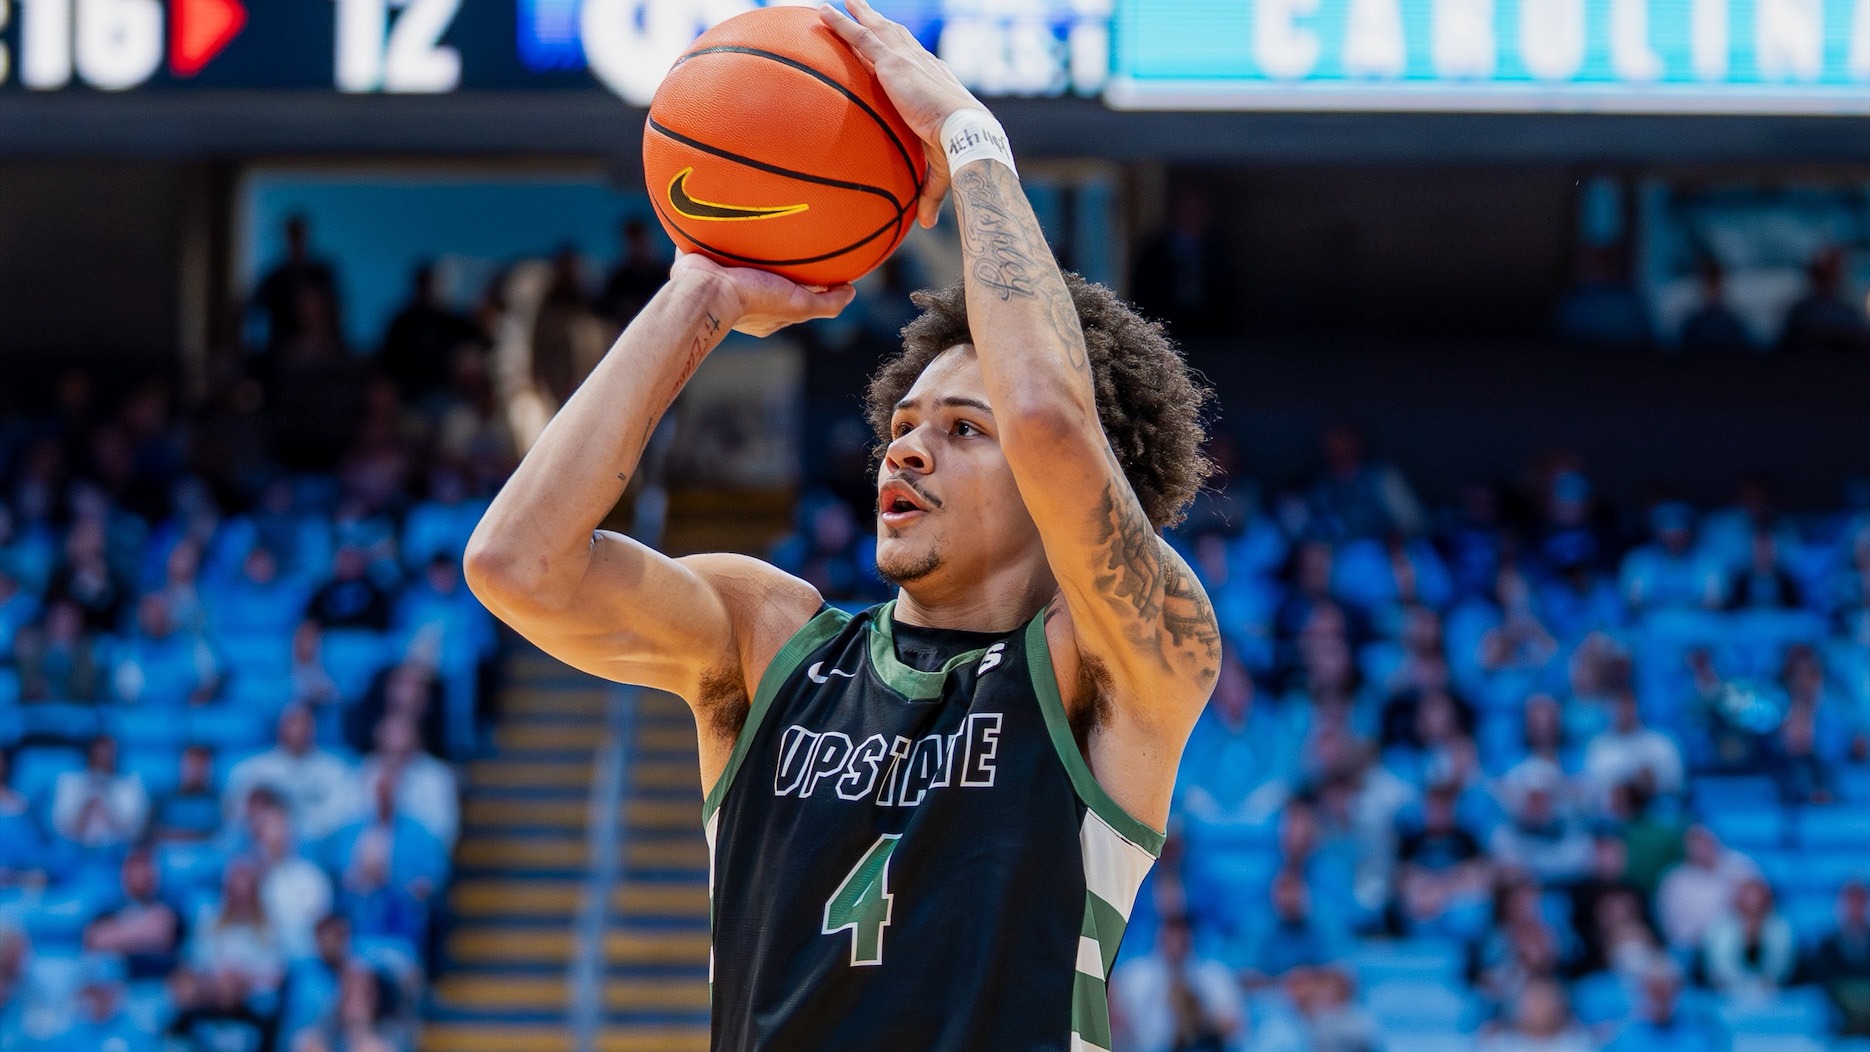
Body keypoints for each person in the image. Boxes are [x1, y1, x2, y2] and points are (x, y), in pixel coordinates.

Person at [464, 5, 1219, 1047]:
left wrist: (969, 136)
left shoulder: (1118, 662)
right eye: (902, 426)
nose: (905, 451)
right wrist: (700, 294)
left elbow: (1048, 416)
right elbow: (517, 562)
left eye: (962, 429)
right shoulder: (770, 638)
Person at [224, 706, 362, 840]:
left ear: (314, 728)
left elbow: (345, 815)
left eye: (304, 723)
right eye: (292, 722)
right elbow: (236, 816)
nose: (298, 729)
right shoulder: (252, 770)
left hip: (318, 845)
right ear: (280, 726)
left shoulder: (336, 769)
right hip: (264, 845)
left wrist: (300, 829)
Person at [1109, 914, 1242, 1052]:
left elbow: (1234, 1027)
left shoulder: (1214, 975)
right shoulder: (1134, 976)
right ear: (1160, 937)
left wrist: (1198, 1016)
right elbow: (1115, 1022)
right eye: (1171, 934)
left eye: (1181, 935)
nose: (1176, 942)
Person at [379, 262, 481, 404]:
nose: (428, 289)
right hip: (411, 400)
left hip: (450, 396)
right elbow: (388, 363)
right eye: (424, 284)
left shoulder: (448, 320)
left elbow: (477, 336)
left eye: (432, 284)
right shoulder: (403, 322)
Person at [82, 846, 183, 979]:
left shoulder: (171, 912)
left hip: (156, 982)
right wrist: (142, 933)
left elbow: (161, 936)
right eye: (134, 869)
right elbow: (94, 940)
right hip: (114, 985)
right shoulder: (106, 910)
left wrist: (116, 935)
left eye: (145, 868)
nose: (140, 875)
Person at [1656, 825, 1759, 953]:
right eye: (1695, 845)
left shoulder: (1740, 866)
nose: (1701, 849)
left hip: (1740, 938)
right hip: (1694, 946)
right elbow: (1672, 927)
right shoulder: (1674, 881)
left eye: (1705, 842)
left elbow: (1759, 901)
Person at [252, 214, 341, 354]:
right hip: (283, 353)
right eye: (293, 235)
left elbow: (335, 310)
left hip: (319, 353)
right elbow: (254, 309)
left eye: (299, 235)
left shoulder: (320, 274)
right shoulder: (276, 278)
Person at [51, 733, 148, 849]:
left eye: (108, 753)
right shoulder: (69, 783)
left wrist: (108, 804)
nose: (103, 757)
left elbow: (134, 833)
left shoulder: (130, 786)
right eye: (99, 752)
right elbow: (60, 829)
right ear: (89, 753)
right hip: (73, 850)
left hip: (116, 852)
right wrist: (86, 806)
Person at [1702, 877, 1795, 996]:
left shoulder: (1780, 926)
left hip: (1772, 992)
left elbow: (1782, 962)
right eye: (1748, 896)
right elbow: (1718, 966)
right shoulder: (1721, 926)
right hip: (1727, 992)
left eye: (1756, 896)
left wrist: (1766, 984)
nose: (1753, 901)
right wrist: (1740, 986)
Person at [1604, 960, 1719, 1052]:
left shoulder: (1703, 1028)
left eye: (1665, 990)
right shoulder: (1624, 1037)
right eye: (1654, 991)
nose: (1660, 999)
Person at [1778, 246, 1870, 353]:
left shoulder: (1848, 313)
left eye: (1835, 270)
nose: (1832, 276)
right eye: (1829, 271)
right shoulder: (1801, 313)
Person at [1806, 881, 1870, 1033]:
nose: (1855, 909)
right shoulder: (1827, 946)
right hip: (1839, 1017)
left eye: (1860, 902)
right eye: (1850, 902)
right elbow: (1822, 981)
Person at [601, 219, 670, 327]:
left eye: (641, 239)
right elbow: (607, 311)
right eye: (633, 240)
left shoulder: (666, 273)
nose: (638, 246)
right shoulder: (619, 279)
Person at [1677, 259, 1755, 354]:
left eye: (1714, 283)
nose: (1711, 289)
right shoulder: (1693, 325)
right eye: (1708, 284)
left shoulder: (1734, 323)